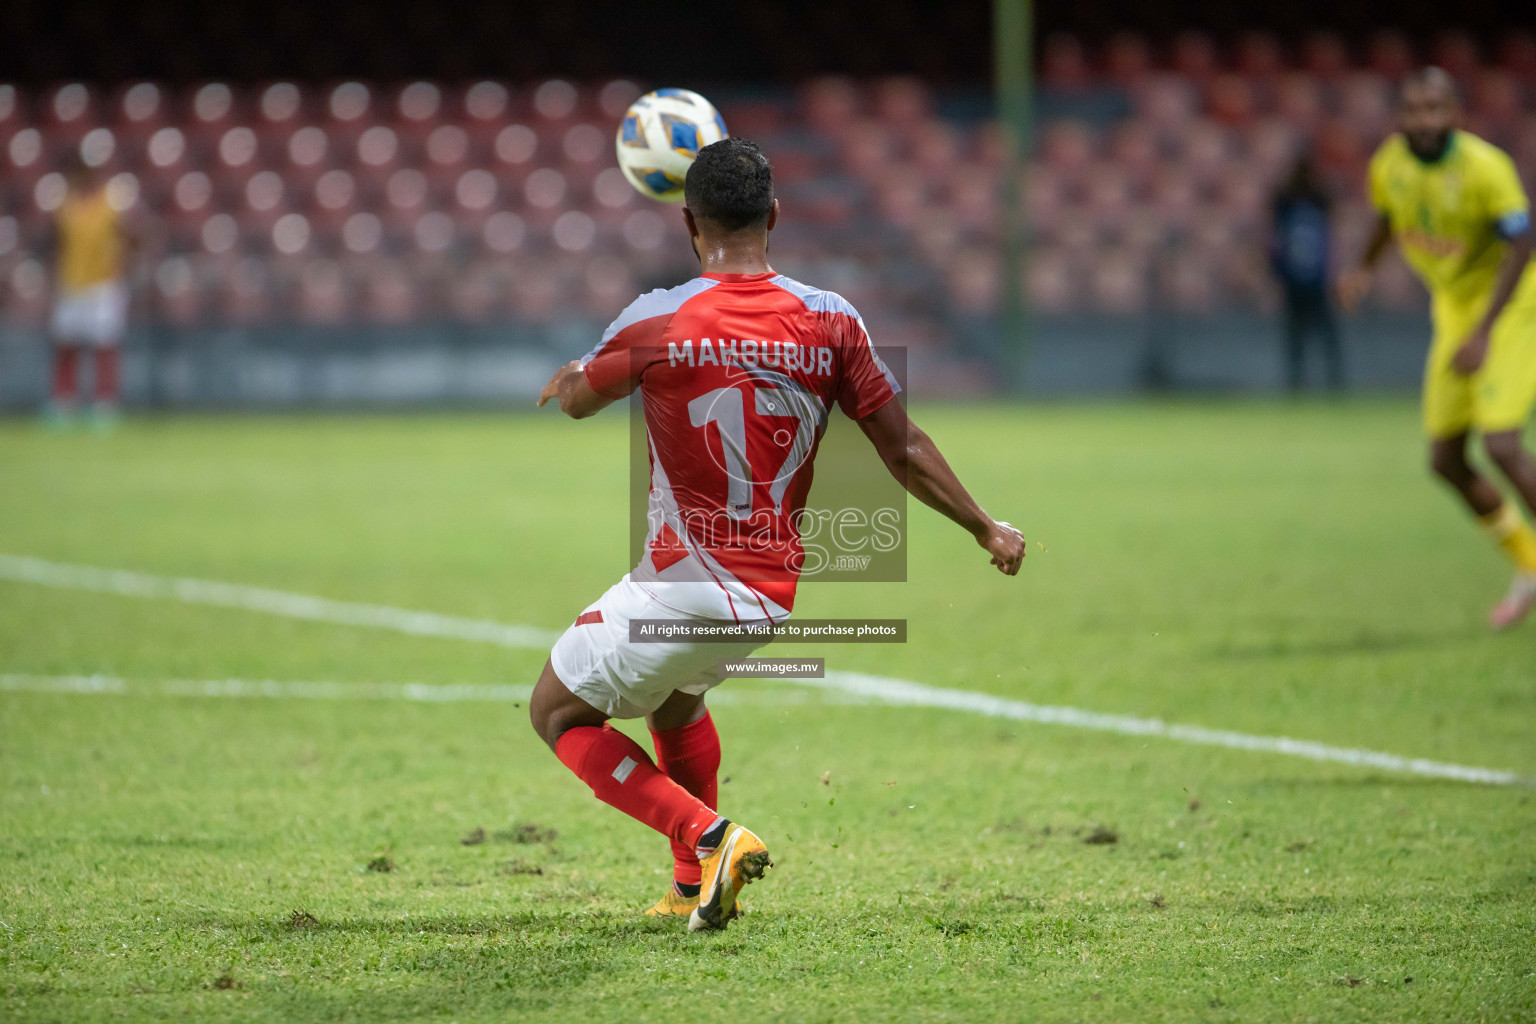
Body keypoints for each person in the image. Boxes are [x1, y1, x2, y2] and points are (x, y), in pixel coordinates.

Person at [531, 138, 1026, 931]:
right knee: (677, 701)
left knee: (556, 714)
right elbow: (902, 447)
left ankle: (710, 836)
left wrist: (570, 380)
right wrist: (984, 527)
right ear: (775, 217)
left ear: (689, 222)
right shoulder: (831, 318)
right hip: (767, 598)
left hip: (686, 584)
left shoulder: (658, 317)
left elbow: (585, 398)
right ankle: (693, 885)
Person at [1340, 67, 1536, 629]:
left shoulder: (1485, 168)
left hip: (1513, 305)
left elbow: (1520, 243)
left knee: (1501, 445)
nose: (1424, 120)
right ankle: (1528, 563)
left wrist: (1484, 330)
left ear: (1456, 115)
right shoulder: (1390, 165)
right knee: (1445, 460)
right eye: (1414, 110)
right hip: (1453, 312)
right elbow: (1387, 218)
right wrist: (1362, 270)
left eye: (1435, 109)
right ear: (1400, 117)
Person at [45, 152, 142, 430]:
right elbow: (57, 243)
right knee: (66, 345)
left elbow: (133, 237)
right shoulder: (65, 204)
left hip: (104, 282)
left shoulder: (112, 203)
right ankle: (64, 403)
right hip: (71, 282)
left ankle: (104, 405)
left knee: (105, 345)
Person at [1269, 152, 1343, 390]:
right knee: (1313, 336)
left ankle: (1305, 382)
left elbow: (1277, 243)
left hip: (1303, 280)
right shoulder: (1305, 202)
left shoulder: (1291, 202)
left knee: (1304, 337)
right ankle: (1317, 382)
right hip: (1308, 280)